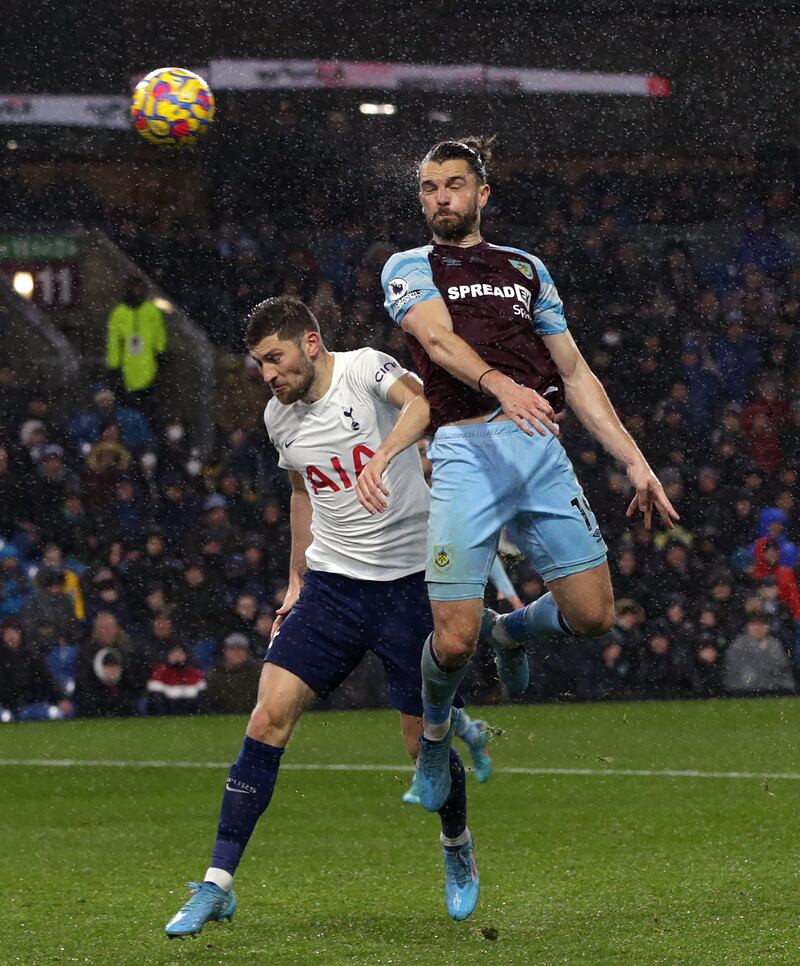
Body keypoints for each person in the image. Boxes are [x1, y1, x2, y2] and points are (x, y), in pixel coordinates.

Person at [376, 137, 677, 813]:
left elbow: (573, 372)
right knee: (452, 639)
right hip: (462, 450)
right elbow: (438, 340)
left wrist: (635, 460)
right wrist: (501, 386)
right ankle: (432, 742)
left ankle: (510, 630)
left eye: (453, 185)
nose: (440, 198)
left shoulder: (525, 268)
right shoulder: (410, 265)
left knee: (594, 614)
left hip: (539, 449)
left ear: (482, 194)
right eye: (428, 188)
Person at [164, 296, 481, 938]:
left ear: (310, 342)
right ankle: (217, 884)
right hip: (332, 589)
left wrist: (385, 455)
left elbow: (425, 405)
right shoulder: (278, 417)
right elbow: (301, 490)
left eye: (276, 359)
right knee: (267, 717)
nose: (269, 375)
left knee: (423, 741)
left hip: (407, 588)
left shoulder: (366, 370)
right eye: (259, 365)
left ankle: (457, 847)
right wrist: (294, 580)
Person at [105, 276, 167, 424]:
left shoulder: (151, 310)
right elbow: (113, 341)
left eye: (140, 289)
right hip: (127, 368)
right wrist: (114, 366)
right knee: (128, 406)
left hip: (148, 366)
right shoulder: (119, 312)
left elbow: (159, 332)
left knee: (148, 405)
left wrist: (160, 351)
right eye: (134, 289)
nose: (137, 293)